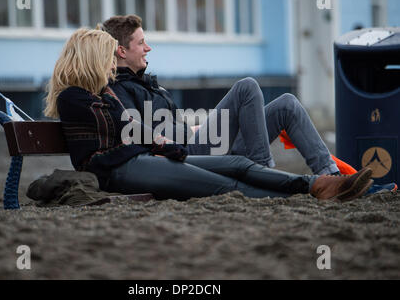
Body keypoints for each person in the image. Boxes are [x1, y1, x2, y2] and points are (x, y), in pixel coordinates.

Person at [44, 27, 374, 203]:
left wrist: (167, 141)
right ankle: (315, 189)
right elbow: (104, 151)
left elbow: (135, 130)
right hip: (123, 170)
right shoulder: (76, 98)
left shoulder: (107, 93)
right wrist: (154, 143)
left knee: (238, 165)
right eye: (105, 58)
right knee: (225, 186)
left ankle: (319, 184)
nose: (110, 65)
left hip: (150, 156)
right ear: (90, 59)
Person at [101, 14, 397, 194]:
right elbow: (139, 134)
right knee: (247, 87)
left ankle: (332, 176)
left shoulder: (150, 84)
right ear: (121, 50)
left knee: (286, 104)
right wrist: (181, 138)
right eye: (141, 43)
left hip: (199, 145)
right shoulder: (119, 91)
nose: (148, 47)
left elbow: (169, 125)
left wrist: (195, 128)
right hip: (186, 160)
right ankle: (266, 171)